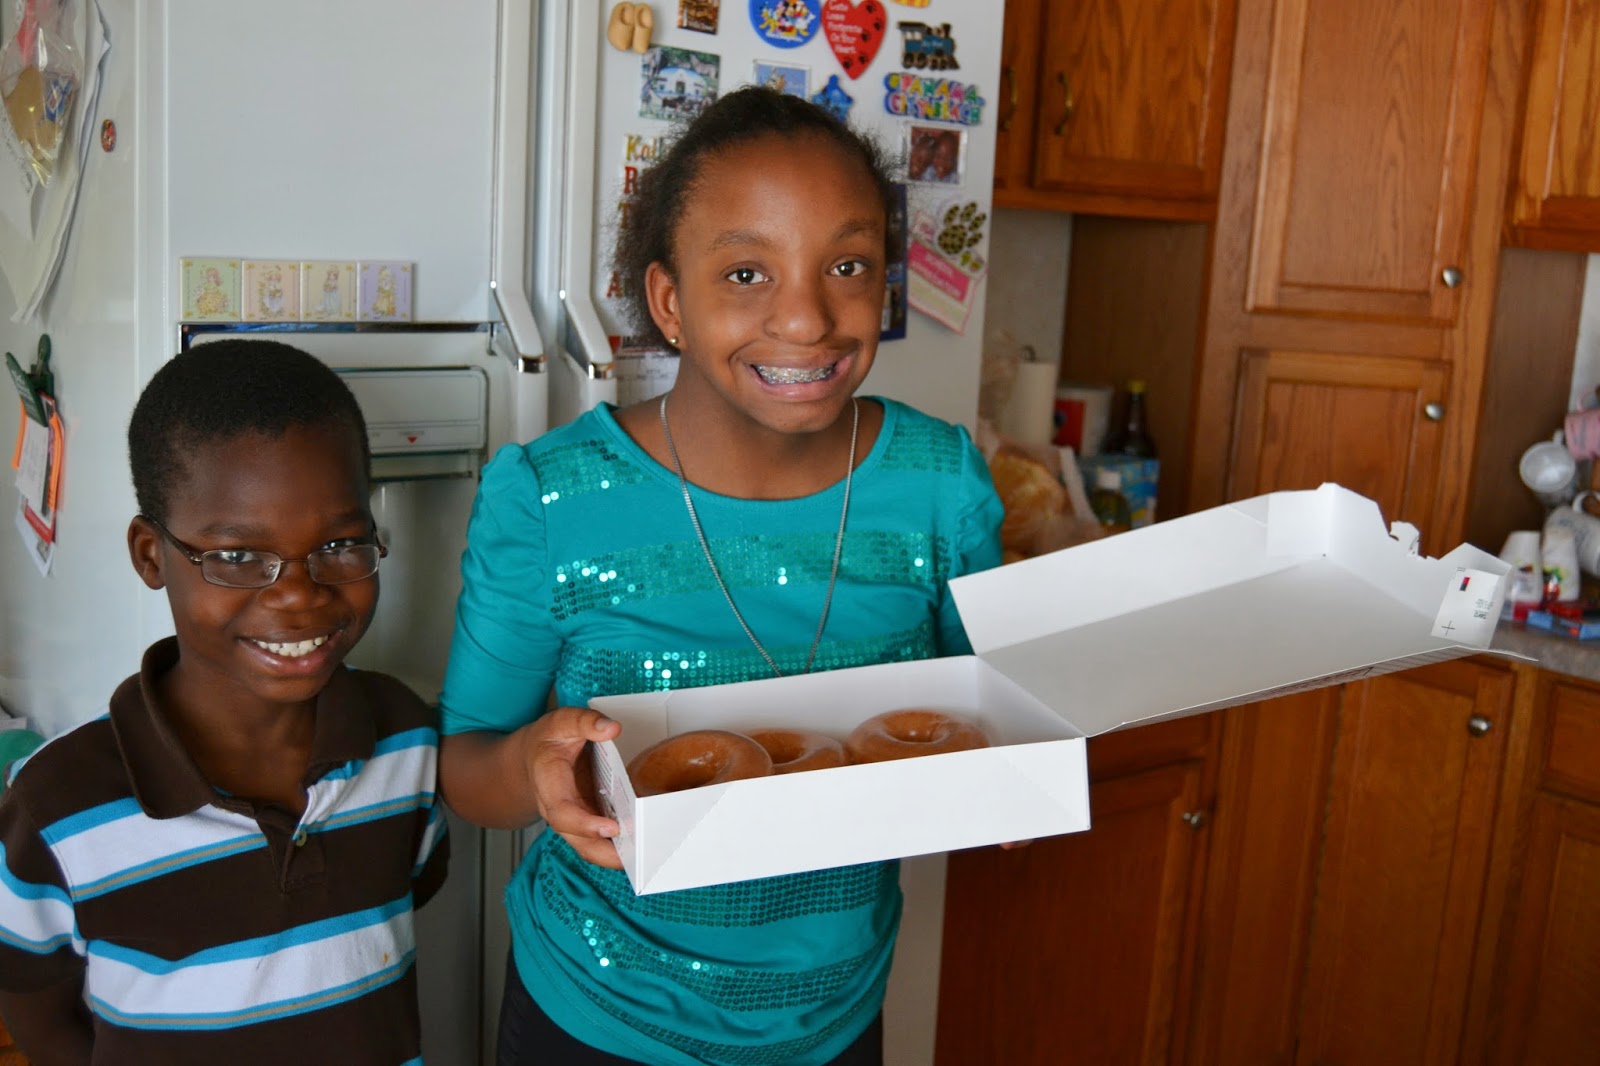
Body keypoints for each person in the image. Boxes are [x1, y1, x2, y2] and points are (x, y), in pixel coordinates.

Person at [438, 86, 1003, 1065]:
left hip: (833, 1021)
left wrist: (1017, 774)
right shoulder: (549, 501)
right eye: (747, 272)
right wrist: (532, 763)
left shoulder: (939, 485)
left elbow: (986, 717)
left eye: (847, 265)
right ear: (669, 302)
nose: (808, 318)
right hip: (598, 1016)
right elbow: (465, 769)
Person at [0, 340, 450, 1065]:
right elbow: (34, 1000)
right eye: (238, 557)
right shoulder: (58, 806)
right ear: (151, 555)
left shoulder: (406, 739)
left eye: (340, 543)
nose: (299, 595)